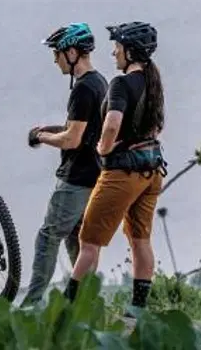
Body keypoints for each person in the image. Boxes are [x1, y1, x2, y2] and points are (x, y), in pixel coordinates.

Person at [64, 21, 166, 313]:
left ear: (130, 51)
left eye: (118, 47)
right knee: (140, 239)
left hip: (122, 172)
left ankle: (71, 306)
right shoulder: (153, 81)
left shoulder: (120, 84)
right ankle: (138, 308)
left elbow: (111, 125)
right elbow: (158, 125)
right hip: (151, 170)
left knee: (88, 241)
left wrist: (103, 148)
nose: (114, 53)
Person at [22, 22, 108, 305]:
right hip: (96, 174)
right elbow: (84, 128)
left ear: (72, 52)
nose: (55, 60)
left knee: (48, 237)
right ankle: (85, 302)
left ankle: (31, 302)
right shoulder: (100, 83)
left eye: (57, 53)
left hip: (76, 177)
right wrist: (49, 128)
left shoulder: (83, 89)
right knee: (78, 240)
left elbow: (72, 139)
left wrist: (43, 137)